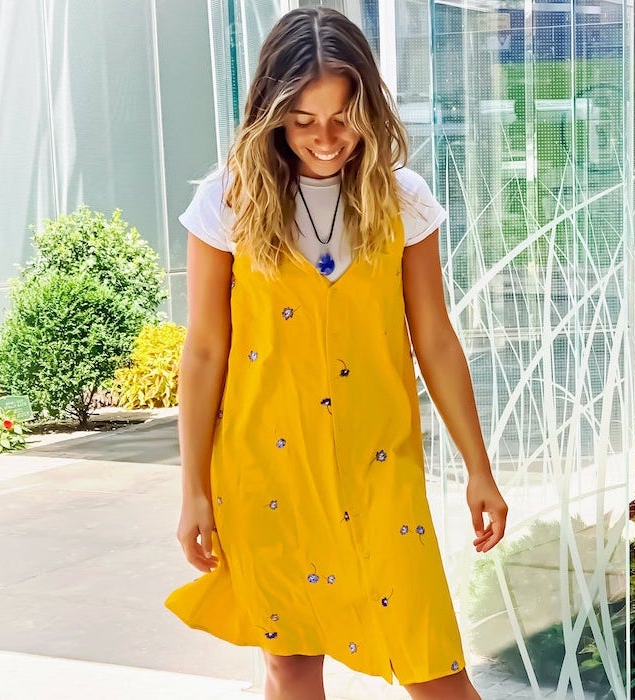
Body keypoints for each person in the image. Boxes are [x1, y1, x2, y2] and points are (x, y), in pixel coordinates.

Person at [165, 7, 508, 700]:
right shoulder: (225, 202)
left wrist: (480, 468)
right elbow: (203, 351)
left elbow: (434, 338)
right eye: (303, 120)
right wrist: (194, 488)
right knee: (290, 664)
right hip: (264, 468)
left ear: (370, 110)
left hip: (379, 463)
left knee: (433, 666)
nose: (326, 139)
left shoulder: (403, 200)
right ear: (271, 113)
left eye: (344, 117)